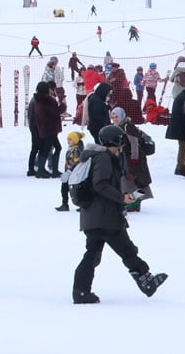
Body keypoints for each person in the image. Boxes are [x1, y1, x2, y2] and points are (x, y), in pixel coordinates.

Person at [71, 124, 168, 304]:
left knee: (93, 254)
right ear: (115, 141)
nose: (121, 147)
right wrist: (123, 197)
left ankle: (81, 291)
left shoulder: (94, 156)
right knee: (126, 250)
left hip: (93, 216)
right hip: (105, 217)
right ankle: (146, 281)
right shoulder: (103, 158)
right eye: (120, 143)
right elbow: (100, 184)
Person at [55, 131, 85, 211]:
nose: (68, 141)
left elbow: (75, 162)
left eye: (70, 140)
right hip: (70, 172)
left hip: (73, 173)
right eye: (68, 139)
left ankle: (78, 205)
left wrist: (69, 172)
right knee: (65, 189)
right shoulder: (72, 149)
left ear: (75, 140)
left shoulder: (76, 150)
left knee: (75, 190)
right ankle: (65, 204)